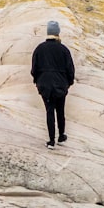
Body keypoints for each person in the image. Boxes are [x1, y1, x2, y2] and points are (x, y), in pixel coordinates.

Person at [31, 20, 75, 150]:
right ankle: (61, 135)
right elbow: (70, 69)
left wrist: (37, 80)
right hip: (61, 84)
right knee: (60, 110)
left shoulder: (39, 48)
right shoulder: (63, 49)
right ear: (58, 32)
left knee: (49, 111)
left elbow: (34, 68)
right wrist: (69, 82)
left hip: (44, 84)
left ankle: (51, 141)